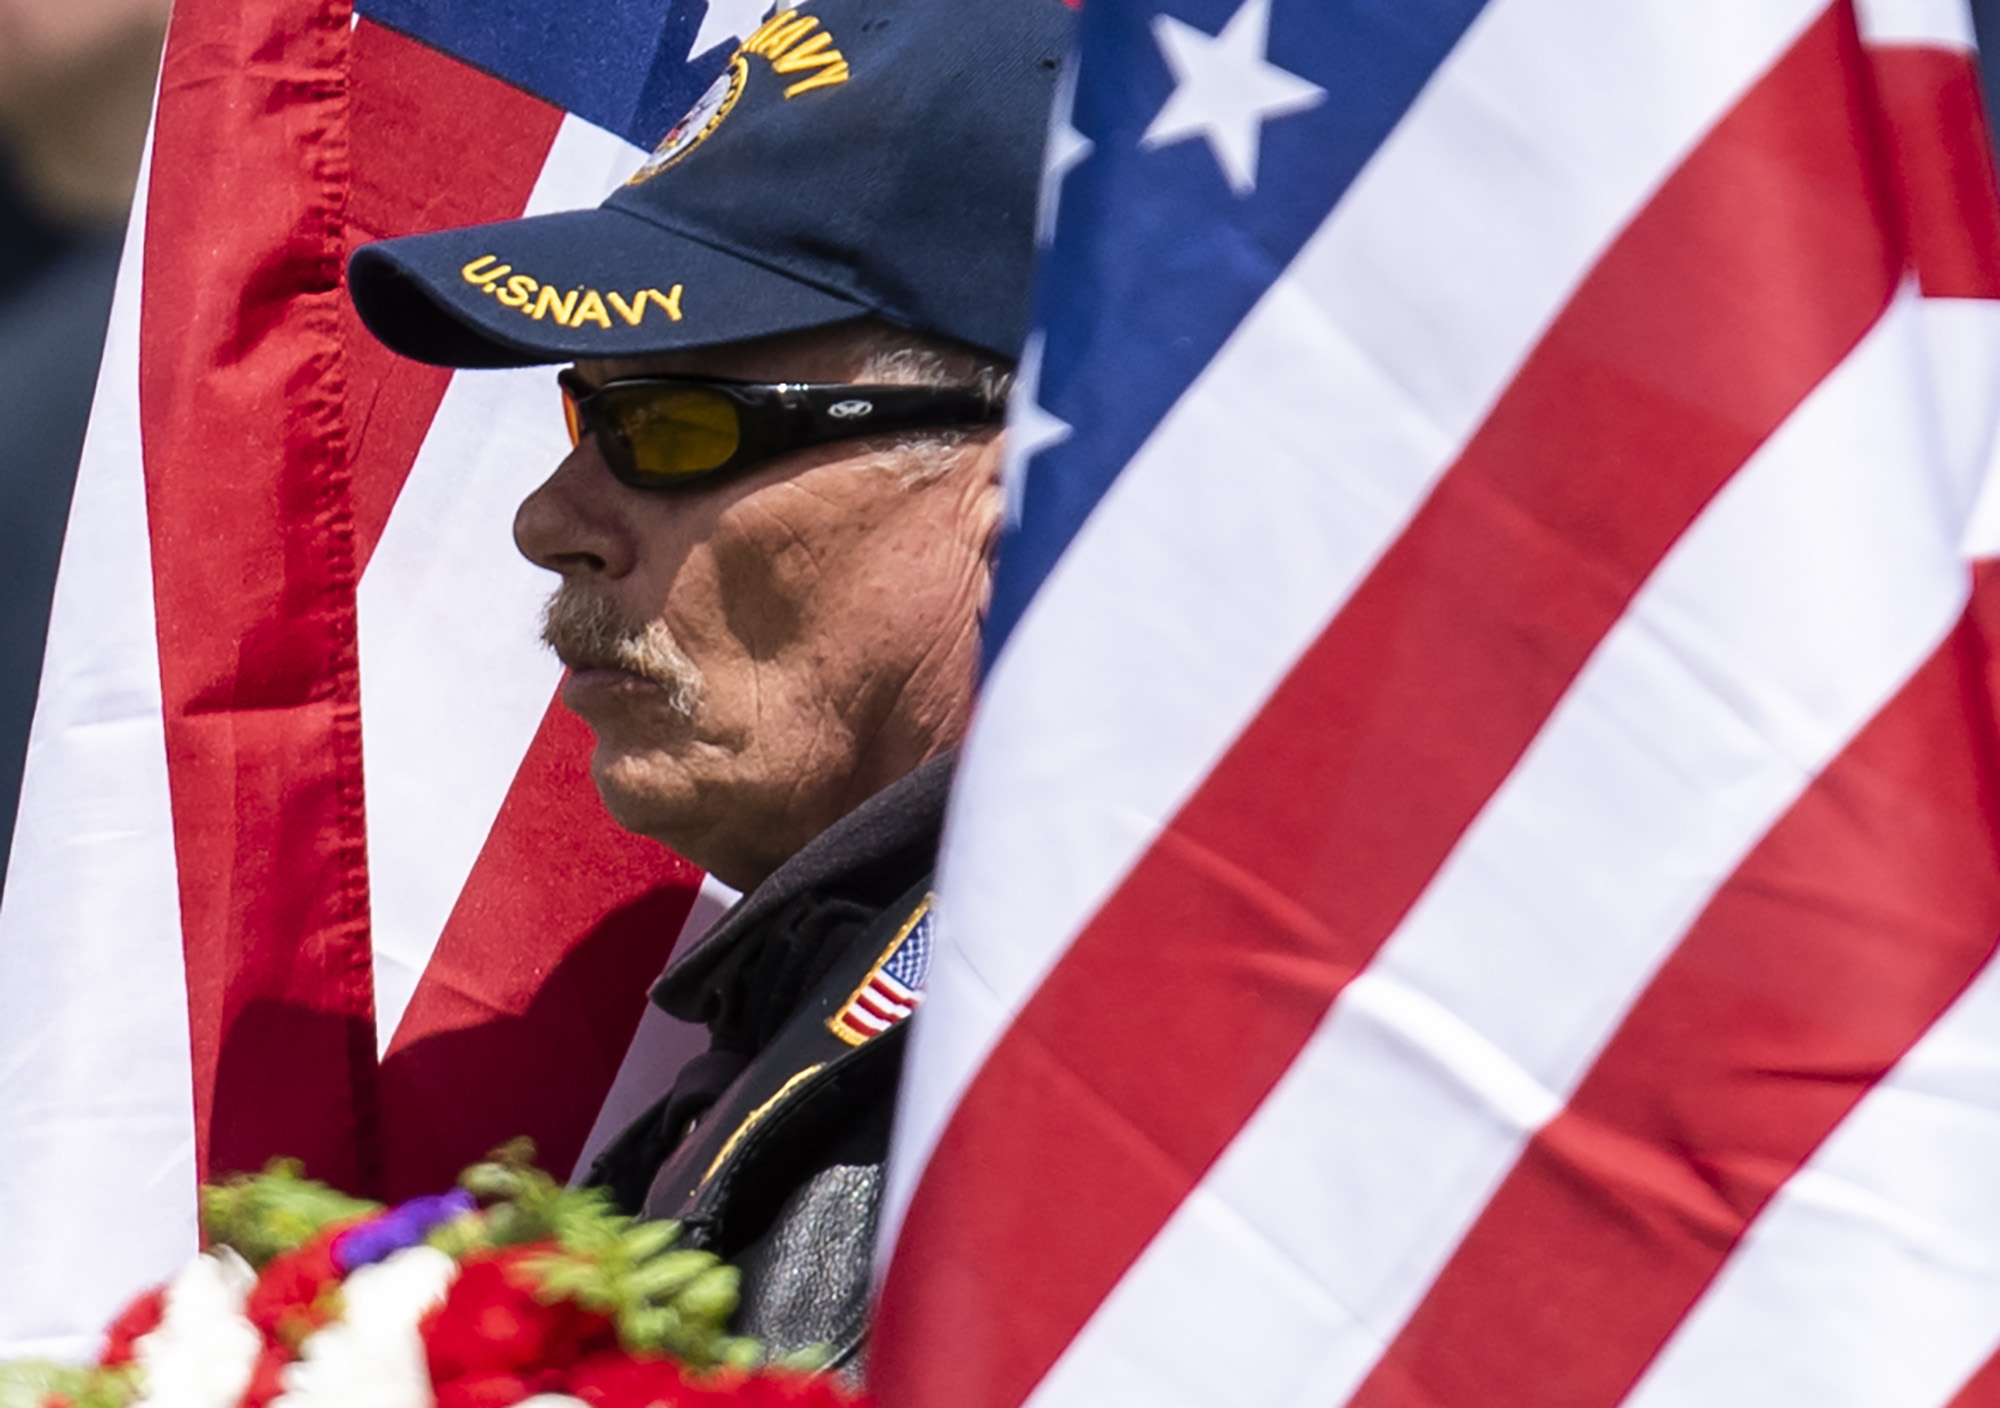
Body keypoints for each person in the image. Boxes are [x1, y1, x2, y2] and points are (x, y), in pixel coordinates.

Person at [348, 0, 1072, 1368]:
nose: (548, 521)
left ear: (1027, 467)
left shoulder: (1098, 1089)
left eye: (673, 425)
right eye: (585, 412)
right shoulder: (837, 1020)